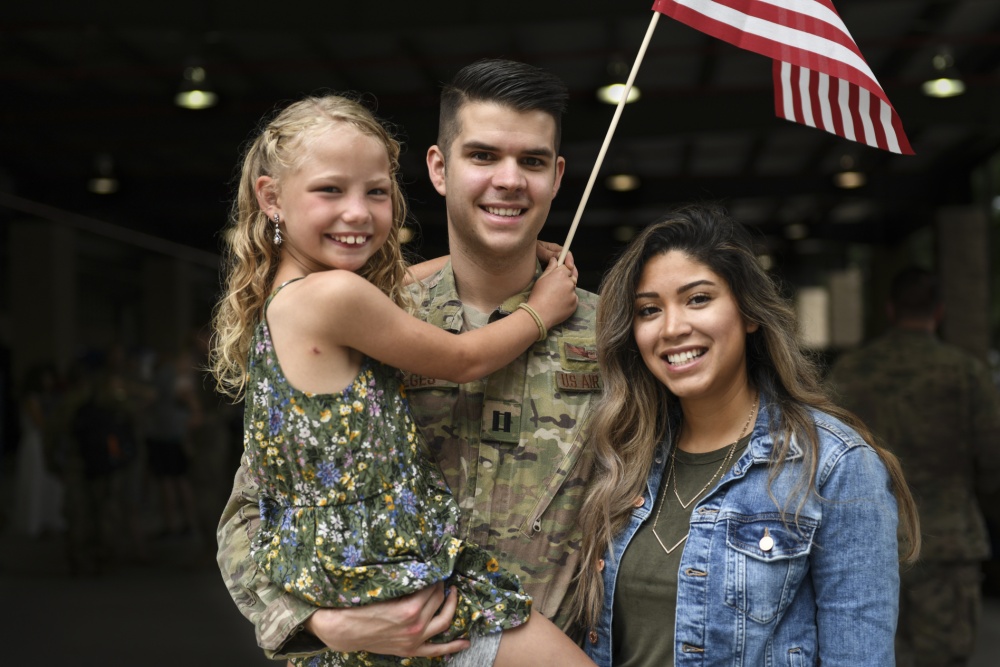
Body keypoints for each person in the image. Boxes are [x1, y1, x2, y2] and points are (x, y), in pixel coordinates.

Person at [216, 59, 601, 664]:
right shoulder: (373, 324)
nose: (509, 180)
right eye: (482, 156)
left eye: (530, 161)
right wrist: (319, 624)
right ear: (439, 169)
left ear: (556, 177)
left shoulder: (613, 337)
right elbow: (254, 514)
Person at [568, 204, 920, 666]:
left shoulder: (835, 465)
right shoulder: (623, 455)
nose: (673, 328)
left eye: (698, 299)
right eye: (649, 310)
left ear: (749, 312)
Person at [828, 266, 1000, 667]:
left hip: (865, 537)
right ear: (939, 312)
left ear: (890, 310)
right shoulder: (967, 372)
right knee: (941, 656)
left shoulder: (851, 371)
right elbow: (993, 456)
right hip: (947, 538)